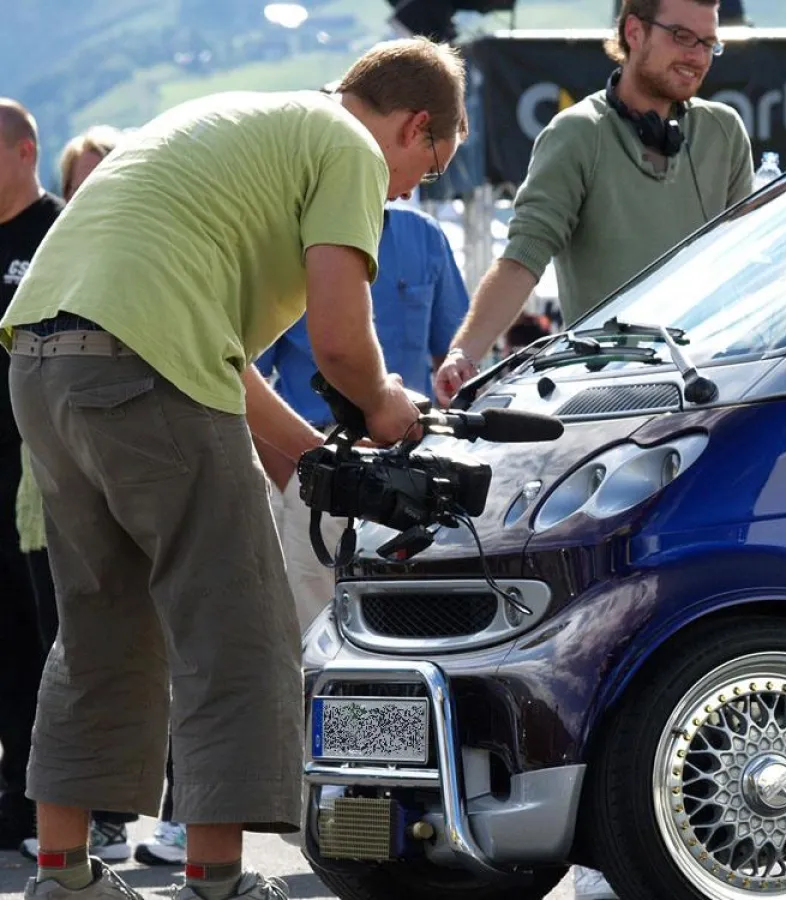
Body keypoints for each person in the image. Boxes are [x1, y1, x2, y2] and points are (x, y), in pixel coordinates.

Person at [0, 34, 466, 900]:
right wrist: (385, 406)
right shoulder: (351, 148)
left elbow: (220, 362)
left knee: (100, 627)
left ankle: (63, 879)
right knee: (235, 630)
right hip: (144, 363)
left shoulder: (241, 123)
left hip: (41, 358)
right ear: (416, 127)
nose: (410, 192)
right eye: (430, 169)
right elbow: (338, 339)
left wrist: (305, 459)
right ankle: (217, 883)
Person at [433, 0, 753, 408]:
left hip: (715, 386)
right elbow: (523, 258)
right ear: (634, 32)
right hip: (610, 397)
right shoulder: (577, 133)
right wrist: (465, 354)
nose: (697, 56)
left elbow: (745, 265)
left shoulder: (724, 131)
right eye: (682, 37)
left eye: (709, 43)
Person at [13, 123, 141, 865]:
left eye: (108, 173)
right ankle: (68, 828)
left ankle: (117, 815)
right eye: (84, 177)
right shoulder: (59, 253)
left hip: (122, 466)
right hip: (44, 480)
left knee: (116, 638)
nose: (96, 189)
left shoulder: (132, 251)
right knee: (62, 642)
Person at [254, 199, 469, 630]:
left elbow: (458, 360)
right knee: (316, 635)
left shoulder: (425, 235)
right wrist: (302, 483)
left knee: (413, 627)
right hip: (320, 465)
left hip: (417, 468)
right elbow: (243, 382)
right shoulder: (286, 243)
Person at [0, 98, 61, 855]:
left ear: (23, 151)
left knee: (56, 643)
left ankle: (74, 803)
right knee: (8, 647)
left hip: (43, 477)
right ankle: (14, 796)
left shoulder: (60, 231)